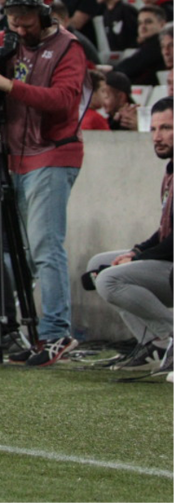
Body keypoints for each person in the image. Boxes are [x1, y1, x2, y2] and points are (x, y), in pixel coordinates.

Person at [0, 0, 88, 366]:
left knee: (45, 247)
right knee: (24, 249)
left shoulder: (69, 47)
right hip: (15, 156)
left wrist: (8, 85)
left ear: (44, 16)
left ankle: (57, 334)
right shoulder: (7, 38)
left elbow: (63, 99)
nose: (18, 29)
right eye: (12, 21)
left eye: (26, 22)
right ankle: (37, 333)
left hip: (53, 153)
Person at [83, 97, 172, 371]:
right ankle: (154, 346)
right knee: (99, 265)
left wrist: (135, 260)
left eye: (167, 128)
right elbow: (164, 232)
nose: (157, 137)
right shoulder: (170, 169)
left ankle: (167, 336)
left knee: (110, 279)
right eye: (154, 129)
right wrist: (134, 252)